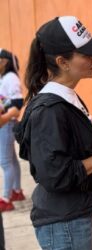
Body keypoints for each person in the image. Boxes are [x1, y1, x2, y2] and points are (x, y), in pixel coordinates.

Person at [13, 16, 92, 250]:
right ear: (62, 62)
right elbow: (54, 174)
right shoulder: (50, 110)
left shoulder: (65, 98)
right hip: (63, 223)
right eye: (86, 54)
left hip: (71, 216)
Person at [0, 49, 25, 212]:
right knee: (11, 159)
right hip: (5, 122)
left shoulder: (10, 78)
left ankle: (6, 198)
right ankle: (16, 191)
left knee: (5, 161)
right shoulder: (4, 77)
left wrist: (5, 113)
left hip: (7, 123)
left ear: (4, 61)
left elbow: (18, 101)